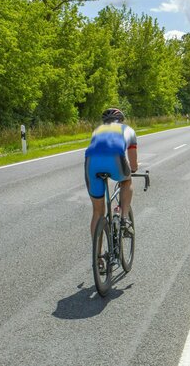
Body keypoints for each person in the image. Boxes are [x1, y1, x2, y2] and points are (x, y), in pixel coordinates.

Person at [84, 108, 138, 267]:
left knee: (97, 212)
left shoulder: (97, 130)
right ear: (121, 120)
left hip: (91, 163)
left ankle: (98, 256)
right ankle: (123, 219)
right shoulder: (129, 130)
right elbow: (133, 164)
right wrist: (133, 170)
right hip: (115, 160)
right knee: (127, 181)